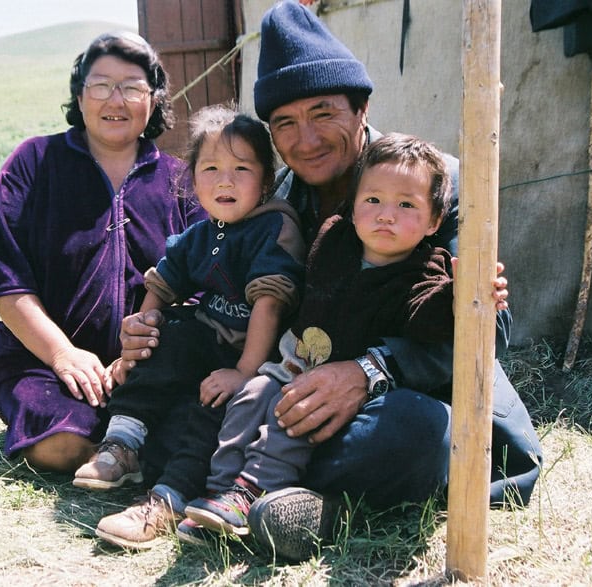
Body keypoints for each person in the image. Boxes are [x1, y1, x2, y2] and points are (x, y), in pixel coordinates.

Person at [120, 0, 543, 561]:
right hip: (289, 391)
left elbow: (487, 330)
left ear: (362, 109)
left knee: (421, 433)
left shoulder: (432, 182)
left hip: (410, 395)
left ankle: (308, 507)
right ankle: (257, 488)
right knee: (199, 373)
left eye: (323, 113)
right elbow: (235, 298)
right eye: (286, 124)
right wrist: (157, 326)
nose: (307, 139)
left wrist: (369, 371)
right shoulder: (278, 203)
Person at [181, 133, 457, 539]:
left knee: (289, 421)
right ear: (353, 203)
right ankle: (220, 495)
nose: (386, 215)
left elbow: (428, 320)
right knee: (249, 398)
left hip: (342, 394)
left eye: (406, 205)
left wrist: (460, 294)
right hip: (290, 364)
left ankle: (251, 491)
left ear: (435, 220)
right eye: (373, 200)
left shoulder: (425, 271)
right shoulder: (333, 239)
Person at [0, 31, 205, 473]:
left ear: (153, 100)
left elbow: (207, 280)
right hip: (42, 362)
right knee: (58, 444)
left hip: (152, 366)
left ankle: (131, 448)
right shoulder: (33, 163)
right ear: (80, 97)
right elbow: (5, 282)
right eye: (101, 85)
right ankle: (128, 452)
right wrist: (63, 354)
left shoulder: (183, 180)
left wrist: (145, 349)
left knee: (191, 421)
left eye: (132, 87)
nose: (115, 100)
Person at [77, 104, 306, 549]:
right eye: (211, 168)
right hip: (207, 342)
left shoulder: (273, 225)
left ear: (265, 180)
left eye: (242, 169)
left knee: (212, 409)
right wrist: (139, 340)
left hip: (253, 357)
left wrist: (244, 372)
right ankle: (123, 441)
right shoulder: (206, 231)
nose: (225, 180)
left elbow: (270, 306)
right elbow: (163, 283)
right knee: (170, 334)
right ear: (192, 177)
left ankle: (167, 500)